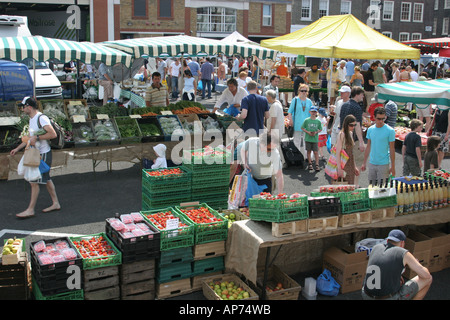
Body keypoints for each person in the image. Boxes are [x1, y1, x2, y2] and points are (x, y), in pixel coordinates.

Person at [10, 97, 61, 218]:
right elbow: (29, 137)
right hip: (39, 153)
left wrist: (37, 138)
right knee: (46, 179)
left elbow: (52, 133)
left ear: (29, 107)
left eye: (23, 106)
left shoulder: (41, 118)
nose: (22, 109)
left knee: (34, 181)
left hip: (42, 154)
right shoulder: (32, 119)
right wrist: (17, 148)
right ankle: (56, 203)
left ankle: (30, 209)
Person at [362, 229, 432, 300]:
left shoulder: (376, 248)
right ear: (402, 243)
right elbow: (426, 275)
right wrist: (416, 264)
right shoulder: (402, 253)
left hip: (366, 295)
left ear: (387, 241)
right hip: (387, 298)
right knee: (428, 279)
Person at [362, 107, 396, 183]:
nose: (381, 121)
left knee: (382, 188)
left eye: (383, 119)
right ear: (373, 117)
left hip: (384, 164)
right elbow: (368, 146)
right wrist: (364, 162)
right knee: (371, 187)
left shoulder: (390, 130)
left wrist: (393, 166)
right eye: (378, 119)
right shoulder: (370, 129)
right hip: (372, 163)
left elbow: (392, 149)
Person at [288, 83, 313, 157]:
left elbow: (312, 113)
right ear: (299, 91)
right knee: (297, 140)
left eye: (305, 91)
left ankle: (305, 156)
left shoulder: (309, 101)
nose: (304, 92)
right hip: (297, 123)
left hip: (307, 124)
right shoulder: (295, 100)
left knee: (306, 141)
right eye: (302, 91)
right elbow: (290, 112)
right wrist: (290, 120)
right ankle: (296, 156)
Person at [335, 115, 359, 184]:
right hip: (343, 163)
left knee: (351, 184)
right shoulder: (341, 134)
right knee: (343, 186)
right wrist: (339, 168)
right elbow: (338, 152)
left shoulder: (350, 133)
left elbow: (352, 153)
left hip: (350, 163)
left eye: (354, 125)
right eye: (351, 125)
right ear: (346, 124)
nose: (353, 127)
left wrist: (354, 166)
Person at [301, 107, 323, 172]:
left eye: (315, 112)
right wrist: (308, 132)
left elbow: (320, 128)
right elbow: (302, 128)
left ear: (316, 113)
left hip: (315, 139)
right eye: (312, 111)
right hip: (308, 138)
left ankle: (317, 164)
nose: (313, 113)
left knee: (316, 152)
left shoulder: (318, 121)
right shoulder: (307, 120)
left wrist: (316, 132)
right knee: (309, 151)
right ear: (310, 112)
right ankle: (310, 164)